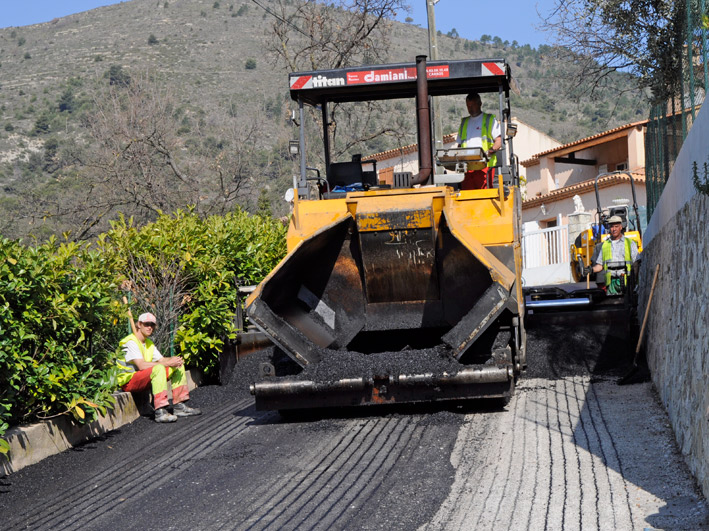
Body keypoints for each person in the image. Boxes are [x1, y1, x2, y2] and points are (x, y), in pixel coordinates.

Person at [117, 312, 201, 423]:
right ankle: (160, 411)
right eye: (146, 324)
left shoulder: (148, 343)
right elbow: (141, 365)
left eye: (152, 325)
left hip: (143, 377)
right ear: (139, 324)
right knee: (159, 368)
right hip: (129, 381)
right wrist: (166, 363)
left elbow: (161, 360)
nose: (149, 327)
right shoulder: (130, 342)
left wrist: (174, 360)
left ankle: (179, 406)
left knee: (177, 366)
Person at [455, 92, 502, 189]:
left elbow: (499, 141)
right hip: (467, 168)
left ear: (480, 104)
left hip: (484, 167)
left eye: (472, 105)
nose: (470, 108)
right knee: (468, 196)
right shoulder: (464, 123)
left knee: (484, 196)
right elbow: (459, 145)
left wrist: (489, 152)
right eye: (468, 106)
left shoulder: (489, 120)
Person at [589, 215, 640, 295]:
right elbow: (600, 265)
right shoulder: (605, 245)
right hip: (611, 284)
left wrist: (633, 282)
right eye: (612, 227)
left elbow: (636, 263)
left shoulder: (629, 243)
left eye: (616, 226)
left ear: (621, 227)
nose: (614, 229)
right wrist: (590, 270)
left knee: (628, 306)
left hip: (627, 282)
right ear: (609, 228)